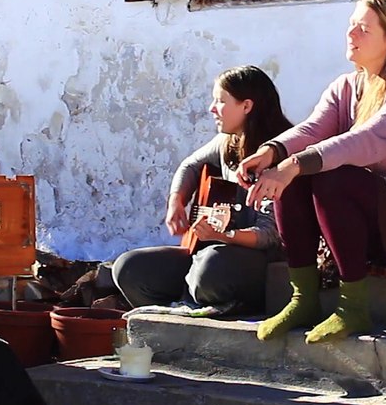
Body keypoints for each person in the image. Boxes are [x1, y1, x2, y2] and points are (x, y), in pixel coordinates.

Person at [237, 0, 386, 344]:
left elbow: (368, 140)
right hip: (369, 224)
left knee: (332, 175)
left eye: (363, 29)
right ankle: (304, 299)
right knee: (297, 179)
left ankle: (352, 308)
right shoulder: (346, 86)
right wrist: (272, 153)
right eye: (351, 25)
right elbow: (313, 129)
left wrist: (294, 164)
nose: (351, 34)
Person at [111, 66, 292, 315]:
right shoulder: (227, 141)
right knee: (129, 268)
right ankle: (183, 317)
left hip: (262, 264)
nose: (211, 108)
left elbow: (269, 234)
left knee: (209, 269)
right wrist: (177, 201)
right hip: (212, 250)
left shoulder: (281, 155)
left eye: (220, 101)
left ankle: (212, 305)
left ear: (246, 106)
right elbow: (191, 165)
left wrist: (224, 235)